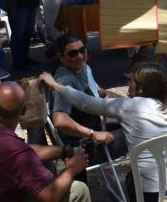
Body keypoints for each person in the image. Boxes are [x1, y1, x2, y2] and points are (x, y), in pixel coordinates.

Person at [40, 61, 167, 202]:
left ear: (141, 88)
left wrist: (54, 85)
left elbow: (85, 102)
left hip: (153, 195)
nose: (128, 83)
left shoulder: (126, 107)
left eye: (131, 80)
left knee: (131, 179)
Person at [49, 33, 126, 168]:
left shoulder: (84, 68)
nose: (79, 56)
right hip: (83, 147)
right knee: (138, 131)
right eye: (72, 53)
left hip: (97, 124)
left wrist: (107, 93)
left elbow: (96, 89)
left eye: (82, 50)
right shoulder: (64, 81)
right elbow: (59, 121)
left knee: (136, 120)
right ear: (61, 57)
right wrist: (93, 134)